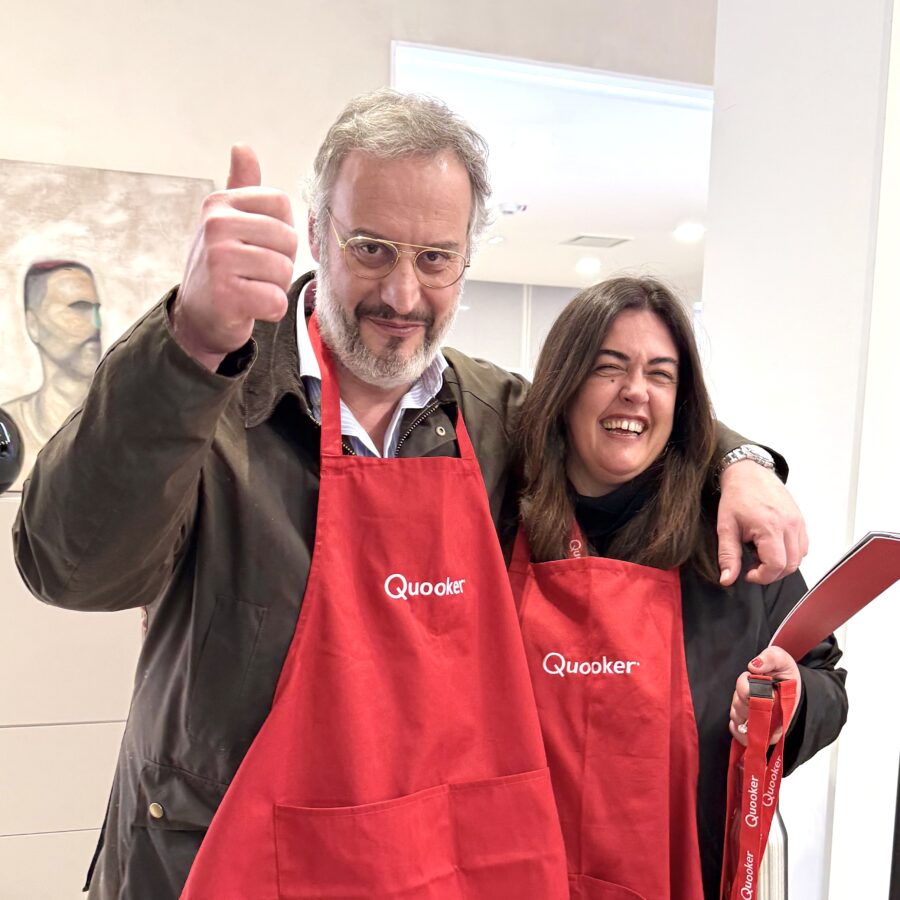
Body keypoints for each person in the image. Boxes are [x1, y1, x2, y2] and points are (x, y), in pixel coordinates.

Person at [14, 91, 807, 899]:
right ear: (317, 231)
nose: (401, 296)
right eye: (372, 249)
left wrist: (742, 461)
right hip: (216, 860)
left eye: (435, 259)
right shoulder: (209, 392)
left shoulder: (493, 417)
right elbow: (70, 568)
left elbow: (623, 421)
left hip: (418, 868)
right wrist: (188, 339)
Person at [510, 276, 848, 899]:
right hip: (512, 871)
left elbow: (823, 677)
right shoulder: (498, 517)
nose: (635, 391)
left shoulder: (733, 539)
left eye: (660, 375)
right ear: (564, 384)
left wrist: (792, 702)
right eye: (608, 367)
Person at [2, 260, 102, 490]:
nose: (96, 324)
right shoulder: (9, 430)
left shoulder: (127, 425)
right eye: (79, 307)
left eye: (96, 310)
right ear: (33, 324)